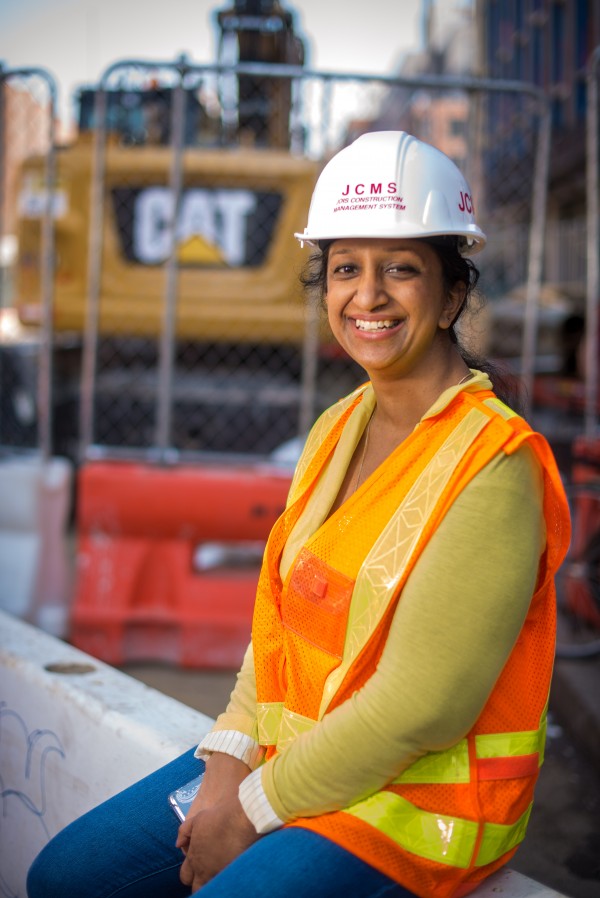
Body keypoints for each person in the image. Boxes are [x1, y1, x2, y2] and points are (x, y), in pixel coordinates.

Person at [27, 131, 571, 898]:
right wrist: (226, 758)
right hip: (301, 764)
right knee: (66, 877)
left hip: (412, 808)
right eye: (346, 268)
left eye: (402, 271)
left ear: (452, 294)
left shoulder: (495, 467)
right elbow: (279, 628)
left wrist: (247, 812)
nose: (368, 295)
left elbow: (422, 708)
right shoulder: (337, 427)